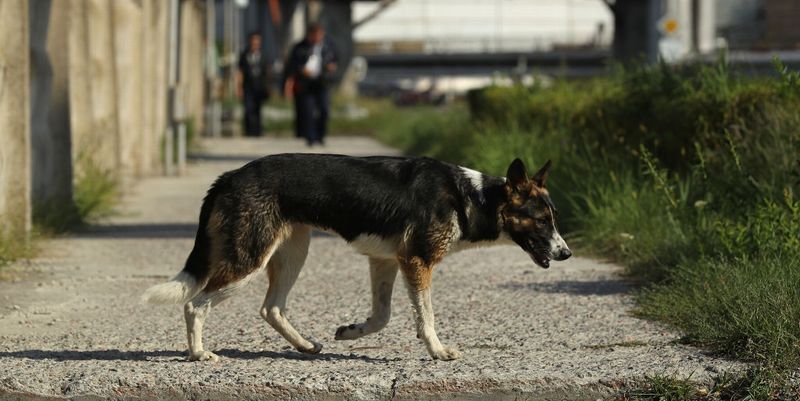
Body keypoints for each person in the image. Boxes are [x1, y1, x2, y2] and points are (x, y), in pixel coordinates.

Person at [283, 23, 337, 146]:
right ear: (309, 35)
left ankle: (321, 135)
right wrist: (300, 72)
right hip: (306, 85)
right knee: (307, 111)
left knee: (324, 110)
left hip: (323, 83)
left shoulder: (328, 46)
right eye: (314, 35)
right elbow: (292, 66)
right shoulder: (299, 47)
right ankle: (310, 137)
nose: (317, 38)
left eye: (319, 35)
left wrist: (331, 66)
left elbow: (335, 59)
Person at [237, 32, 270, 137]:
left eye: (257, 43)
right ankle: (249, 131)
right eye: (253, 42)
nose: (254, 45)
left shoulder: (263, 56)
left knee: (258, 110)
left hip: (259, 87)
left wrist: (268, 87)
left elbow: (267, 73)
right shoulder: (244, 55)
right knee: (248, 109)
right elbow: (240, 72)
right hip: (248, 87)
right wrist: (239, 87)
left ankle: (258, 132)